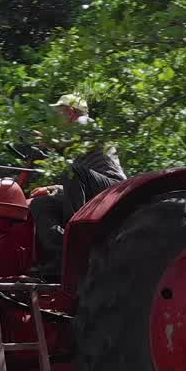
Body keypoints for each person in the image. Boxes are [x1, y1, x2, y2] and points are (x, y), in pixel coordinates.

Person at [28, 93, 126, 277]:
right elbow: (78, 182)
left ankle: (77, 242)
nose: (56, 118)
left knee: (71, 170)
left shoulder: (85, 123)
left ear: (70, 112)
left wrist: (50, 141)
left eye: (59, 113)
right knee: (41, 203)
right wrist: (51, 189)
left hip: (112, 188)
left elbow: (78, 174)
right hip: (93, 187)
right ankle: (62, 255)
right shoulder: (76, 145)